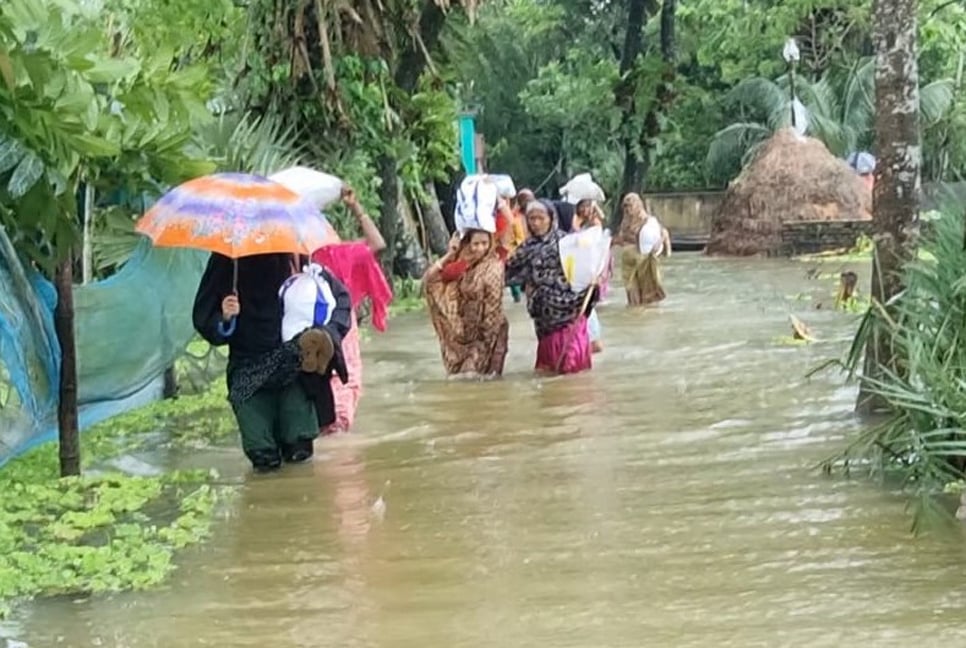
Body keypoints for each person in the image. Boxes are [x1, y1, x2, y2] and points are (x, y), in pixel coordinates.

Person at [192, 252, 352, 472]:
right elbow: (204, 316)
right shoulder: (228, 258)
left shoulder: (293, 253)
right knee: (262, 457)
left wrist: (326, 334)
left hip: (293, 366)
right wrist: (226, 318)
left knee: (300, 451)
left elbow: (340, 301)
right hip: (248, 370)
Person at [311, 186, 392, 435]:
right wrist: (354, 206)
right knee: (342, 380)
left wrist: (355, 206)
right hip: (329, 328)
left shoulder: (333, 255)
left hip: (326, 329)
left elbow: (377, 244)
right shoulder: (305, 257)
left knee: (335, 380)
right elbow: (377, 244)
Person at [506, 199, 597, 375]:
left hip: (571, 312)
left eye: (541, 218)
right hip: (545, 318)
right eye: (532, 218)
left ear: (551, 218)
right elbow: (506, 273)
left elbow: (585, 271)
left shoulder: (568, 242)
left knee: (573, 370)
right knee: (550, 370)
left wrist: (594, 281)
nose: (536, 223)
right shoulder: (526, 248)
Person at [423, 228, 509, 378]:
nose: (480, 248)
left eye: (484, 243)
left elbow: (493, 309)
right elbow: (430, 280)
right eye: (475, 244)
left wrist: (483, 344)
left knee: (481, 379)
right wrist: (450, 254)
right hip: (462, 334)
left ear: (490, 244)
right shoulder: (463, 266)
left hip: (489, 333)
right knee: (461, 379)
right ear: (468, 244)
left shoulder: (494, 267)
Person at [615, 192, 668, 307]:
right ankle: (635, 317)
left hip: (644, 259)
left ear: (638, 205)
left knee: (648, 292)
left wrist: (662, 247)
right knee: (632, 294)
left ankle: (646, 318)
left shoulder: (648, 221)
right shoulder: (626, 221)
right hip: (629, 261)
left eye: (630, 206)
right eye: (625, 206)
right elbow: (620, 238)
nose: (628, 209)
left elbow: (663, 235)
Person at [574, 198, 610, 353]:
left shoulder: (595, 224)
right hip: (580, 271)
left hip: (592, 268)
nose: (585, 211)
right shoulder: (577, 223)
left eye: (588, 208)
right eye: (583, 208)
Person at [506, 188, 534, 303]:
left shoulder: (535, 214)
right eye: (525, 200)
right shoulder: (514, 217)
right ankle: (516, 291)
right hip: (517, 247)